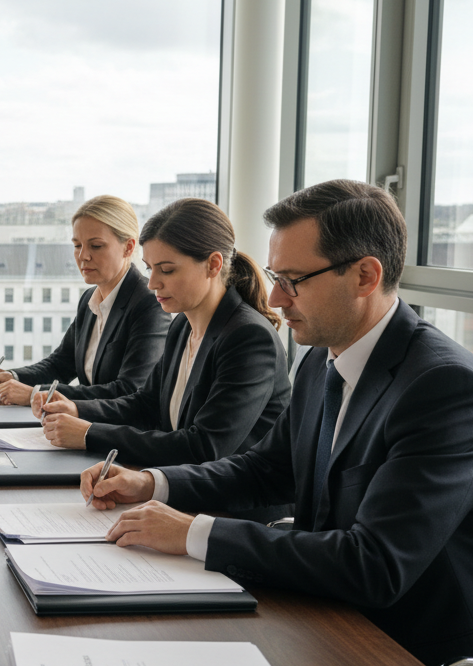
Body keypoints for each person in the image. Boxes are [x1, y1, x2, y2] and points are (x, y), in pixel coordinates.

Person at [83, 180, 473, 666]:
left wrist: (194, 533)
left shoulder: (446, 389)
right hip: (334, 624)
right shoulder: (323, 359)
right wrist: (151, 483)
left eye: (293, 280)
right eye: (276, 277)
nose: (275, 298)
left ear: (365, 276)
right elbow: (265, 469)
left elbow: (374, 565)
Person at [37, 199, 291, 485]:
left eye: (167, 270)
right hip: (184, 487)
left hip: (230, 502)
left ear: (213, 265)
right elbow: (146, 404)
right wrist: (77, 410)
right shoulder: (183, 324)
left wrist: (89, 433)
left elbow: (203, 447)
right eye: (149, 269)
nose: (152, 283)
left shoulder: (249, 338)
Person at [0, 195, 170, 406]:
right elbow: (60, 365)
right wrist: (13, 377)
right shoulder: (89, 299)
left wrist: (36, 394)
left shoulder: (150, 304)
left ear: (128, 247)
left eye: (96, 246)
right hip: (82, 420)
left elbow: (129, 390)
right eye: (77, 245)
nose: (83, 256)